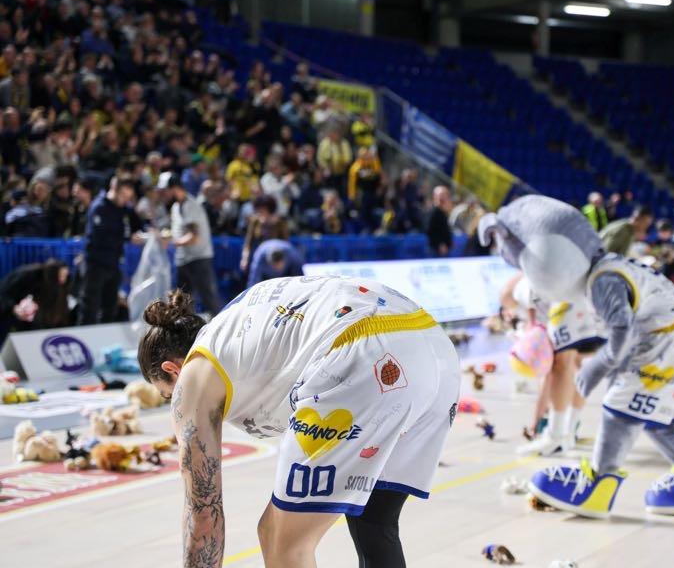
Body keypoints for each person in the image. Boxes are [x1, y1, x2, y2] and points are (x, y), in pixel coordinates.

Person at [136, 277, 460, 568]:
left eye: (167, 394)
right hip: (432, 346)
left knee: (281, 540)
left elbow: (204, 512)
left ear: (172, 370)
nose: (174, 402)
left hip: (362, 350)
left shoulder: (194, 375)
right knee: (375, 523)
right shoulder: (234, 327)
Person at [480, 195, 674, 518]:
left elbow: (623, 329)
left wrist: (598, 367)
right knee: (648, 412)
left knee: (619, 404)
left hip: (666, 337)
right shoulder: (606, 268)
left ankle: (597, 484)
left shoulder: (603, 279)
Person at [501, 272, 605, 456]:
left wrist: (536, 421)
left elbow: (506, 295)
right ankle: (568, 432)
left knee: (561, 366)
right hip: (586, 296)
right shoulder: (526, 307)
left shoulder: (521, 297)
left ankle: (556, 437)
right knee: (577, 365)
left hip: (566, 296)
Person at [78, 177, 142, 325]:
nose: (125, 200)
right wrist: (127, 237)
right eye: (123, 196)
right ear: (114, 190)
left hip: (113, 264)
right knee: (90, 307)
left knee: (110, 307)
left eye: (128, 197)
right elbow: (101, 237)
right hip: (96, 264)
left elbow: (136, 222)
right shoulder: (99, 207)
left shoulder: (123, 208)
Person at [159, 172, 221, 316]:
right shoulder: (176, 207)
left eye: (165, 190)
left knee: (208, 298)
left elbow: (194, 237)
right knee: (181, 302)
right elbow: (179, 232)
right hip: (184, 259)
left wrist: (172, 242)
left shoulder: (191, 206)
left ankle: (223, 326)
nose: (163, 194)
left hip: (199, 258)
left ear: (174, 188)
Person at [0, 259, 70, 345]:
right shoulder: (28, 275)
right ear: (53, 273)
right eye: (61, 275)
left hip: (26, 318)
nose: (63, 280)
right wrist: (14, 307)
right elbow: (4, 292)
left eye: (65, 276)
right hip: (7, 310)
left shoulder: (54, 285)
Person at [427, 186, 454, 257]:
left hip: (443, 249)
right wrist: (439, 244)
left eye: (446, 195)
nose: (444, 198)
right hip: (436, 250)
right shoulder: (434, 212)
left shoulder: (442, 212)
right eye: (442, 195)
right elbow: (430, 231)